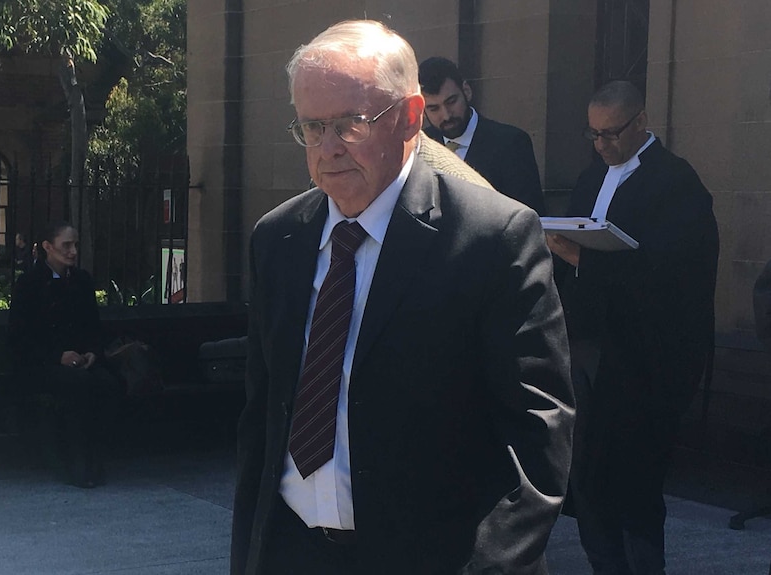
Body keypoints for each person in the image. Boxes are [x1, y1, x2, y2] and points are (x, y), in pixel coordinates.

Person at [232, 20, 574, 575]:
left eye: (350, 124)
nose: (328, 147)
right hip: (292, 551)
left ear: (410, 118)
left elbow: (539, 431)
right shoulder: (278, 238)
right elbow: (263, 414)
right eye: (312, 127)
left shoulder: (491, 237)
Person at [548, 80, 719, 575]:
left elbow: (677, 271)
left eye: (612, 133)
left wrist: (586, 258)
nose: (602, 145)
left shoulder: (676, 183)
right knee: (585, 473)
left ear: (641, 123)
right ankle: (604, 564)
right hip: (586, 346)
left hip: (644, 359)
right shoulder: (589, 177)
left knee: (634, 477)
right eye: (594, 135)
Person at [8, 221, 122, 488]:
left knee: (107, 384)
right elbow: (20, 337)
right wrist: (57, 356)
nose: (72, 252)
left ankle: (91, 456)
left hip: (79, 362)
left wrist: (92, 353)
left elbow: (93, 327)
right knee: (78, 387)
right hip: (40, 364)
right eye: (66, 245)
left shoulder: (81, 281)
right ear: (48, 247)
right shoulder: (29, 284)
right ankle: (73, 459)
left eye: (75, 245)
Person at [418, 56, 546, 214]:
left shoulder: (511, 143)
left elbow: (530, 217)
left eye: (451, 102)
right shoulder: (418, 147)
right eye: (434, 108)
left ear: (466, 91)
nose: (446, 115)